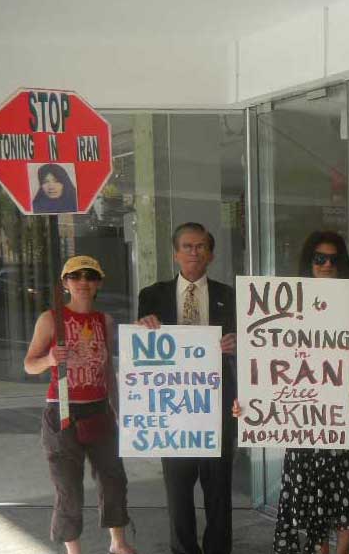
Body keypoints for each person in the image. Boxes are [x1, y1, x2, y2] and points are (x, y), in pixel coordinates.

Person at [233, 231, 349, 554]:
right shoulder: (288, 301)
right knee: (311, 487)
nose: (327, 264)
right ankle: (319, 549)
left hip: (346, 408)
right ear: (309, 262)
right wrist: (251, 397)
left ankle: (340, 551)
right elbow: (267, 356)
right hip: (306, 413)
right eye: (320, 258)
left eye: (333, 259)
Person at [24, 255, 136, 554]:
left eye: (90, 276)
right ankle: (74, 549)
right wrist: (49, 359)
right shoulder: (50, 319)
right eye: (75, 276)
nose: (83, 282)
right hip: (62, 411)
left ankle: (118, 542)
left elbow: (108, 371)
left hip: (99, 409)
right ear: (65, 283)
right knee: (68, 487)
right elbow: (29, 364)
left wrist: (119, 408)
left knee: (113, 479)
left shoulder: (105, 321)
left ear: (98, 283)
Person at [136, 223, 237, 554]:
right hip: (173, 411)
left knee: (219, 492)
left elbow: (253, 349)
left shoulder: (230, 297)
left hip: (218, 408)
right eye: (187, 246)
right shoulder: (151, 296)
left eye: (201, 246)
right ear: (175, 253)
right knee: (178, 493)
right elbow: (142, 352)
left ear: (211, 254)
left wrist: (239, 345)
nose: (194, 252)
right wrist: (143, 328)